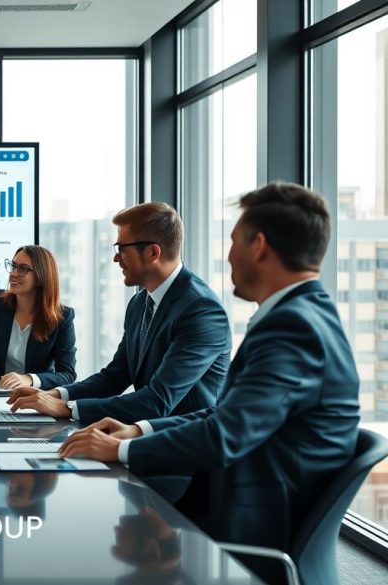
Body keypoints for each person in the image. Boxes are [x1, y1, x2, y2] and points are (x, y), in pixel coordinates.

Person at [58, 183, 360, 583]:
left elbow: (223, 435)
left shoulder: (293, 327)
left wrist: (122, 449)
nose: (229, 255)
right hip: (238, 502)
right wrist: (137, 432)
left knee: (76, 539)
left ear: (259, 246)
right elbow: (223, 415)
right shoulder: (301, 315)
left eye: (233, 241)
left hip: (246, 528)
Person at [7, 202, 230, 424]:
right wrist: (53, 395)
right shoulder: (139, 303)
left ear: (152, 252)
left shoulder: (201, 310)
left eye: (121, 248)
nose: (116, 258)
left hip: (184, 441)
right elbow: (115, 377)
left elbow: (157, 401)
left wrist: (66, 408)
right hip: (144, 435)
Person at [0, 245, 76, 390]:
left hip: (36, 395)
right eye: (13, 266)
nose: (13, 273)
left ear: (41, 277)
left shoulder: (62, 318)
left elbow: (67, 374)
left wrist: (29, 379)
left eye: (23, 269)